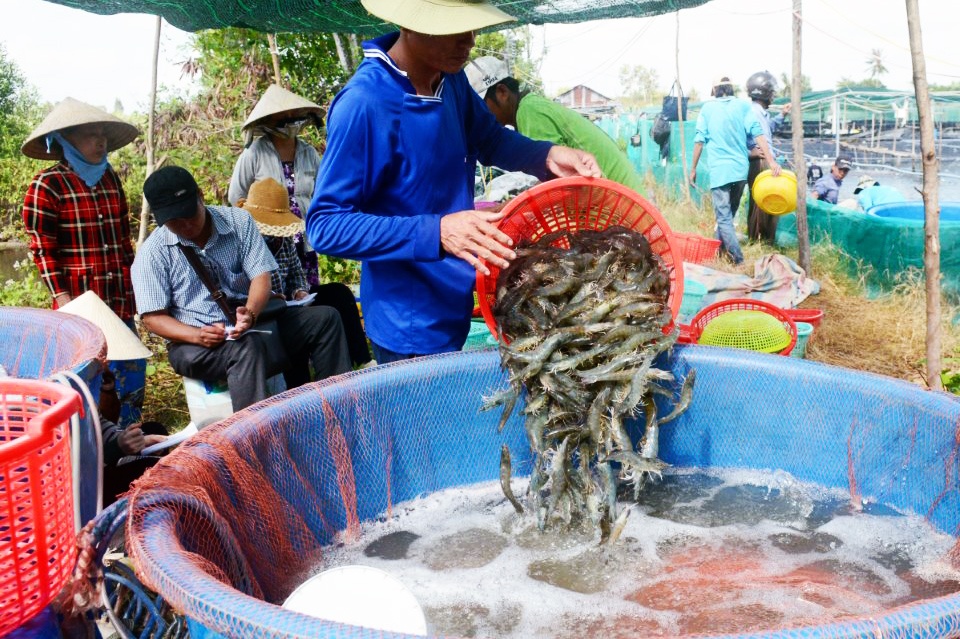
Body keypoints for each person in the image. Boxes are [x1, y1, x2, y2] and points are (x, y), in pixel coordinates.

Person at [306, 0, 602, 364]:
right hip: (408, 320)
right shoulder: (365, 104)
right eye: (453, 28)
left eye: (471, 26)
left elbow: (489, 139)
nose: (469, 40)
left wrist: (547, 155)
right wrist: (438, 232)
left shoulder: (451, 78)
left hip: (456, 293)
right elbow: (326, 226)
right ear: (410, 24)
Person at [132, 166, 351, 411]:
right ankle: (254, 438)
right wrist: (197, 335)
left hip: (253, 325)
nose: (185, 226)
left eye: (189, 215)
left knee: (325, 319)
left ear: (201, 197)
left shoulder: (238, 221)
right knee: (246, 349)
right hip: (193, 345)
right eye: (174, 222)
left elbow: (261, 276)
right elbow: (153, 318)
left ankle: (337, 409)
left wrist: (250, 313)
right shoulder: (153, 253)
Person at [20, 97, 139, 322]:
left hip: (119, 299)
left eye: (102, 133)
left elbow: (124, 241)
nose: (101, 141)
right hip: (80, 302)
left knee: (129, 357)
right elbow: (44, 251)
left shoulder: (109, 178)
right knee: (90, 358)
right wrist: (64, 302)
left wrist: (137, 287)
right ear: (67, 140)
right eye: (91, 134)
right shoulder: (48, 184)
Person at [239, 177, 373, 367]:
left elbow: (296, 274)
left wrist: (300, 292)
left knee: (338, 293)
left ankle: (362, 360)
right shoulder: (246, 242)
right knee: (322, 318)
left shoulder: (283, 240)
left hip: (289, 302)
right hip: (266, 310)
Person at [465, 55, 645, 194]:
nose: (477, 114)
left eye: (480, 106)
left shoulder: (530, 112)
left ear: (502, 92)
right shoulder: (530, 106)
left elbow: (555, 186)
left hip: (622, 201)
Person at [228, 84, 325, 290]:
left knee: (305, 291)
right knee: (274, 291)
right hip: (269, 239)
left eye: (293, 113)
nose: (289, 118)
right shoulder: (254, 153)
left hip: (303, 234)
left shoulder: (309, 153)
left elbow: (321, 194)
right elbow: (236, 196)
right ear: (267, 120)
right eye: (282, 115)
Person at [689, 76, 781, 265]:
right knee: (727, 216)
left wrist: (693, 169)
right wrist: (771, 161)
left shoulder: (707, 109)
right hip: (740, 171)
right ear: (731, 89)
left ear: (715, 91)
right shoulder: (743, 106)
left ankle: (738, 261)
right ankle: (717, 254)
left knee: (723, 218)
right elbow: (758, 133)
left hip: (720, 172)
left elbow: (699, 140)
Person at [745, 71, 791, 242]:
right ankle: (760, 239)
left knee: (764, 200)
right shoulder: (754, 113)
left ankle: (760, 239)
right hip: (761, 161)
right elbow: (759, 137)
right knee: (763, 200)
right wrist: (770, 161)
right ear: (766, 93)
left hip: (764, 160)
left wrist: (782, 115)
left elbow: (767, 128)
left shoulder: (760, 113)